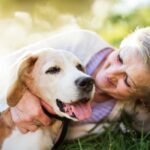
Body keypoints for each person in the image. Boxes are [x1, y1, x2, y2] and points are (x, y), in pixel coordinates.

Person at [9, 27, 150, 133]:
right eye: (119, 58)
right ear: (122, 45)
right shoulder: (80, 42)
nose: (111, 73)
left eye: (127, 81)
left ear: (141, 98)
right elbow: (7, 65)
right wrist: (19, 94)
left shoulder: (130, 108)